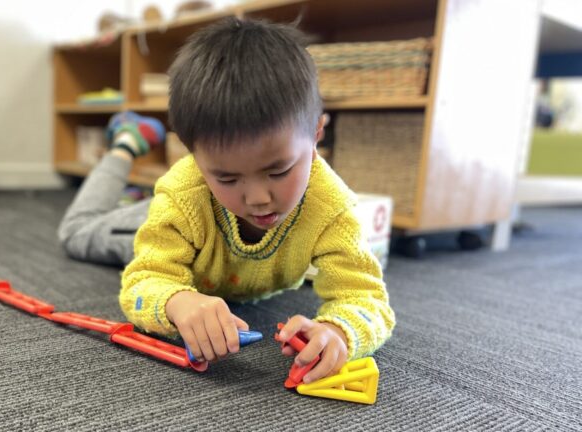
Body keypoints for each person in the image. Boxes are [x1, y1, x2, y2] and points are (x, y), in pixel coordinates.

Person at [58, 17, 395, 384]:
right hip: (176, 227)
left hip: (210, 247)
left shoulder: (332, 207)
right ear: (193, 156)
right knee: (76, 233)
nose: (259, 199)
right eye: (228, 177)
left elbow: (367, 298)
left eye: (279, 171)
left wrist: (340, 331)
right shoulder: (182, 194)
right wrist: (176, 302)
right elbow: (143, 281)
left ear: (316, 134)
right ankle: (125, 143)